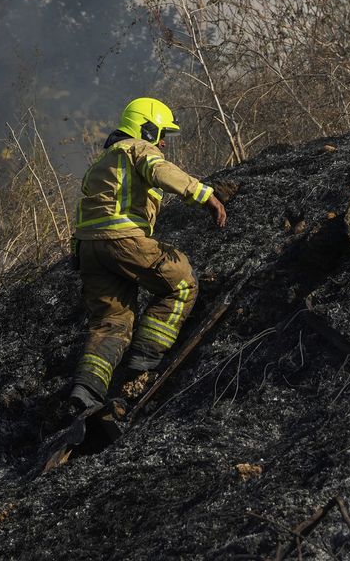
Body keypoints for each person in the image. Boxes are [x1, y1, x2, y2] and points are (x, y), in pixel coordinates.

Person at [66, 97, 238, 415]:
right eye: (160, 134)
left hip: (89, 251)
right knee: (182, 282)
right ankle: (143, 363)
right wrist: (205, 195)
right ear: (145, 128)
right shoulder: (138, 149)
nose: (162, 142)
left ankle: (86, 391)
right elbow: (161, 171)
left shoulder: (102, 162)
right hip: (123, 240)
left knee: (111, 320)